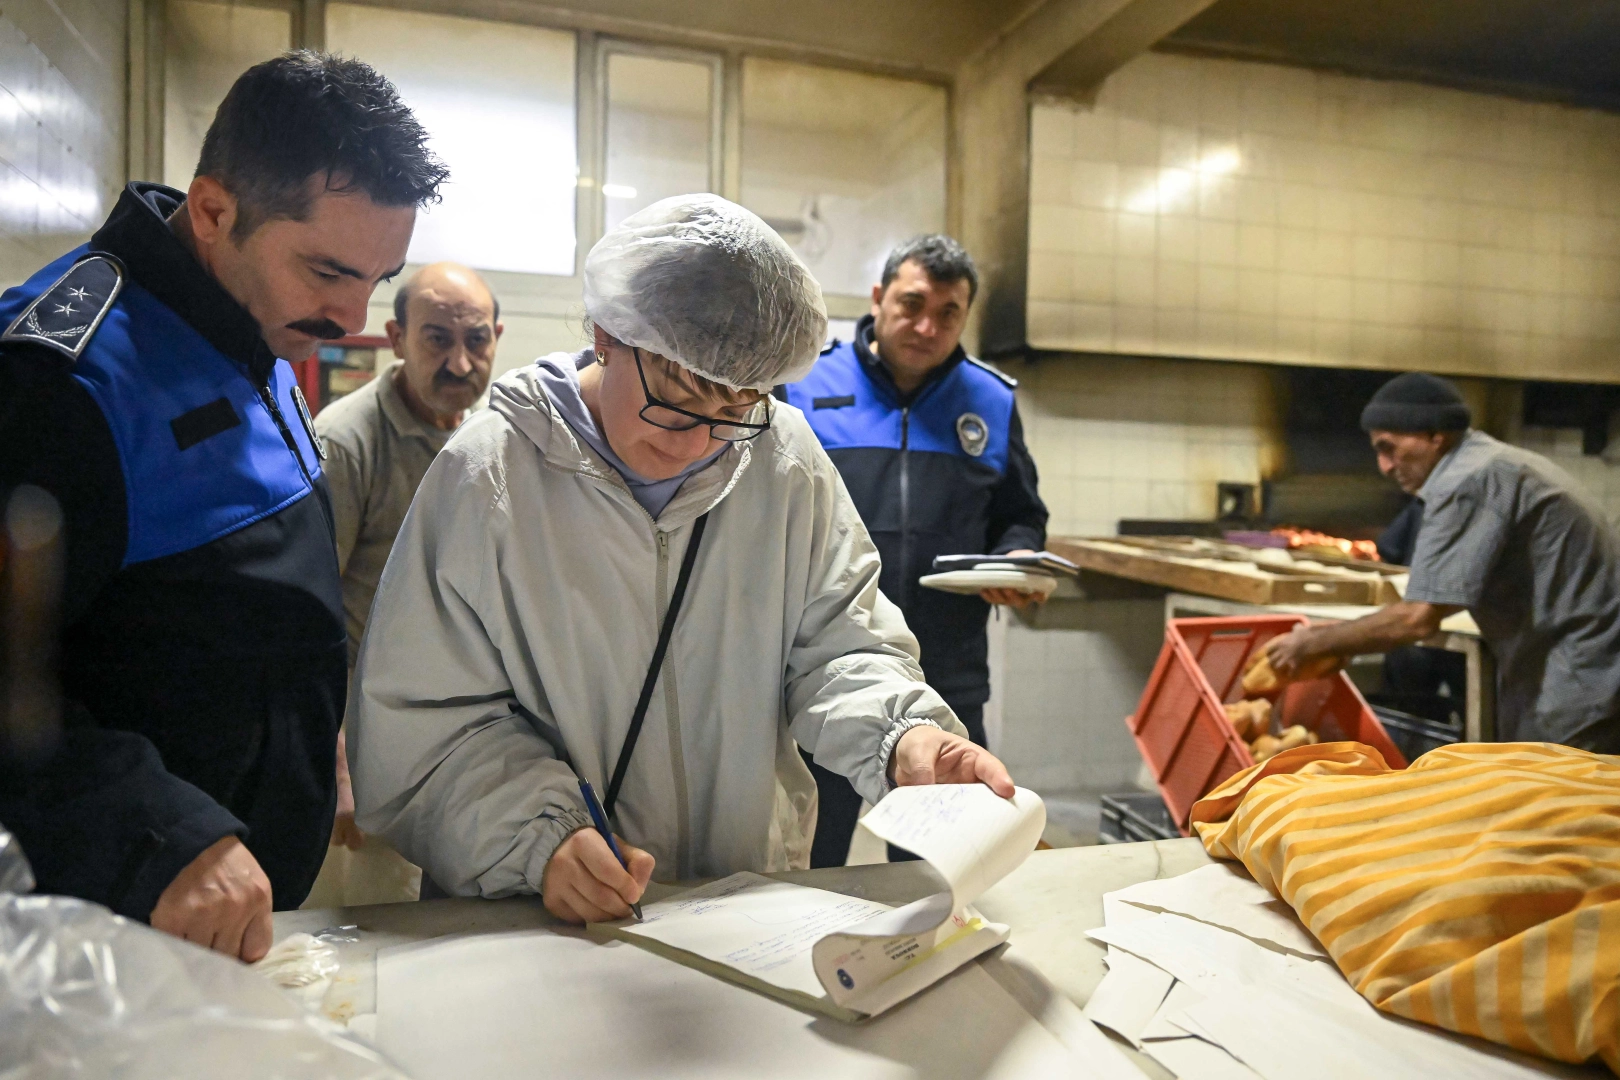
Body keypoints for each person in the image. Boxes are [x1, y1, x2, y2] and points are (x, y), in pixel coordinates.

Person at [348, 195, 1015, 924]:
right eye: (679, 396)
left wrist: (901, 736)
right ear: (607, 333)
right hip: (535, 914)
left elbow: (835, 646)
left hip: (737, 906)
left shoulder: (784, 460)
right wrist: (535, 837)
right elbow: (424, 724)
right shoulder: (490, 477)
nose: (698, 443)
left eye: (736, 406)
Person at [0, 51, 445, 960]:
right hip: (107, 931)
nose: (354, 316)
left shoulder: (254, 334)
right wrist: (154, 830)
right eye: (327, 270)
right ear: (212, 211)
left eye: (378, 279)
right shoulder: (57, 379)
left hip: (231, 929)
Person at [781, 235, 1047, 867]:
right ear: (878, 298)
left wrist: (1015, 561)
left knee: (938, 864)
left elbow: (1021, 517)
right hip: (827, 669)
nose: (927, 326)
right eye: (912, 303)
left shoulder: (991, 401)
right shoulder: (806, 383)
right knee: (811, 856)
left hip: (948, 667)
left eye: (948, 313)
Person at [1262, 372, 1620, 754]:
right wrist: (1348, 638)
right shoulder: (1488, 462)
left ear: (1436, 436)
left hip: (1582, 672)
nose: (1384, 466)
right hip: (1565, 664)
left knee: (1564, 802)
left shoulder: (1468, 479)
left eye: (1390, 448)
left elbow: (1418, 617)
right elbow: (1439, 601)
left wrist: (1311, 642)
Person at [305, 262, 501, 906]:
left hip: (452, 742)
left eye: (476, 340)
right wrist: (336, 757)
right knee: (367, 941)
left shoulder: (487, 438)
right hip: (363, 746)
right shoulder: (346, 442)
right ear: (395, 337)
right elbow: (308, 614)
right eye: (437, 339)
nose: (460, 362)